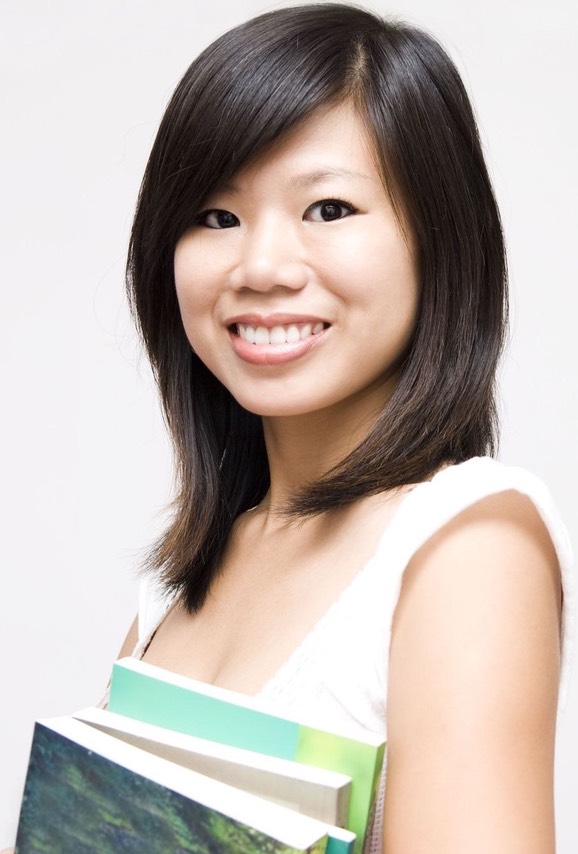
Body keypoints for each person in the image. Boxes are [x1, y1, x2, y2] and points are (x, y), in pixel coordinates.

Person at [5, 4, 572, 853]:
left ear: (438, 240)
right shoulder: (179, 582)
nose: (262, 268)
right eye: (217, 217)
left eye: (329, 209)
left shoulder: (465, 542)